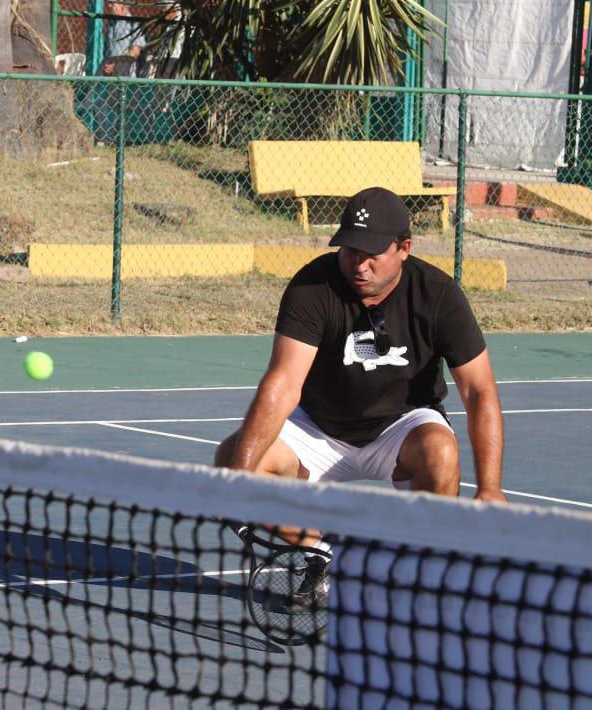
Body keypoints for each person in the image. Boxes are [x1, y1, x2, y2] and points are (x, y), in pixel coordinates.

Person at [215, 187, 507, 565]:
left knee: (442, 452)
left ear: (404, 247)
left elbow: (479, 391)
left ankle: (417, 571)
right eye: (350, 251)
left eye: (371, 254)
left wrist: (490, 488)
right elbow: (283, 384)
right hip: (319, 427)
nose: (359, 264)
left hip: (401, 426)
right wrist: (239, 479)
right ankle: (320, 557)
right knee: (230, 460)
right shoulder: (312, 287)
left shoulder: (438, 294)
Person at [101, 0, 142, 76]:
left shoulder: (134, 24)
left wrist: (117, 65)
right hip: (110, 70)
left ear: (122, 6)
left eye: (112, 4)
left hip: (126, 70)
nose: (109, 6)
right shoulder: (111, 24)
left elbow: (135, 51)